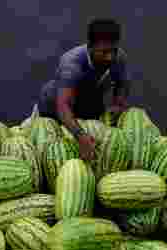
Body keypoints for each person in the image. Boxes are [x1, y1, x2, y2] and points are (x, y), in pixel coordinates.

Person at [31, 18, 130, 162]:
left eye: (113, 50)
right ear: (90, 47)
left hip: (85, 104)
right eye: (104, 52)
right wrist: (81, 136)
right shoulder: (72, 63)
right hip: (52, 109)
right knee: (52, 152)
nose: (110, 57)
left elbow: (123, 83)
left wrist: (118, 104)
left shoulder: (118, 57)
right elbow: (63, 105)